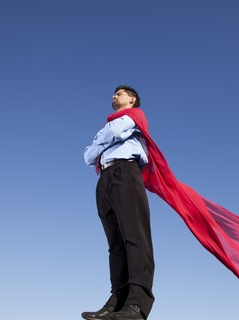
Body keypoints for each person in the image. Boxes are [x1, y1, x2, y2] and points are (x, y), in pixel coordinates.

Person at [82, 85, 154, 320]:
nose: (114, 95)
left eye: (120, 93)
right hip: (104, 178)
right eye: (114, 93)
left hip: (125, 172)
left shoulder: (134, 116)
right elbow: (87, 156)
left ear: (132, 100)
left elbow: (114, 134)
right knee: (115, 245)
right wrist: (102, 140)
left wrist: (99, 142)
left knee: (135, 238)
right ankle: (117, 300)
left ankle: (137, 304)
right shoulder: (110, 124)